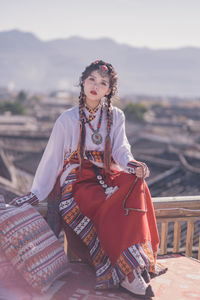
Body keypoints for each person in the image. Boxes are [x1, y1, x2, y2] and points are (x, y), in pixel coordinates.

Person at [12, 60, 167, 298]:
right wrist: (36, 192)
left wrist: (132, 165)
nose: (96, 85)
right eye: (91, 79)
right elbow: (52, 158)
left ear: (109, 90)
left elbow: (120, 149)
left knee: (135, 183)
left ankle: (132, 263)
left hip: (108, 172)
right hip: (77, 179)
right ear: (82, 82)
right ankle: (125, 270)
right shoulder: (67, 119)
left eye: (103, 82)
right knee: (102, 203)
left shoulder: (116, 116)